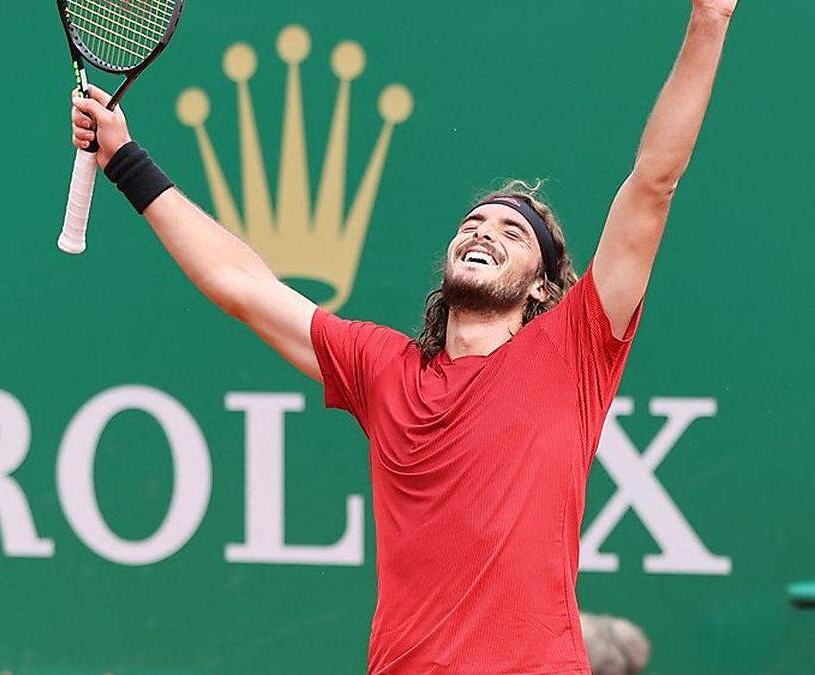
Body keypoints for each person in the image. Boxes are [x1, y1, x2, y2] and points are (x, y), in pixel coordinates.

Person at [69, 1, 738, 672]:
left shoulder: (575, 350)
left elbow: (654, 181)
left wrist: (709, 20)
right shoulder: (382, 367)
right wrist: (125, 158)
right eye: (474, 222)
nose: (483, 231)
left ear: (542, 286)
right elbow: (241, 284)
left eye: (511, 233)